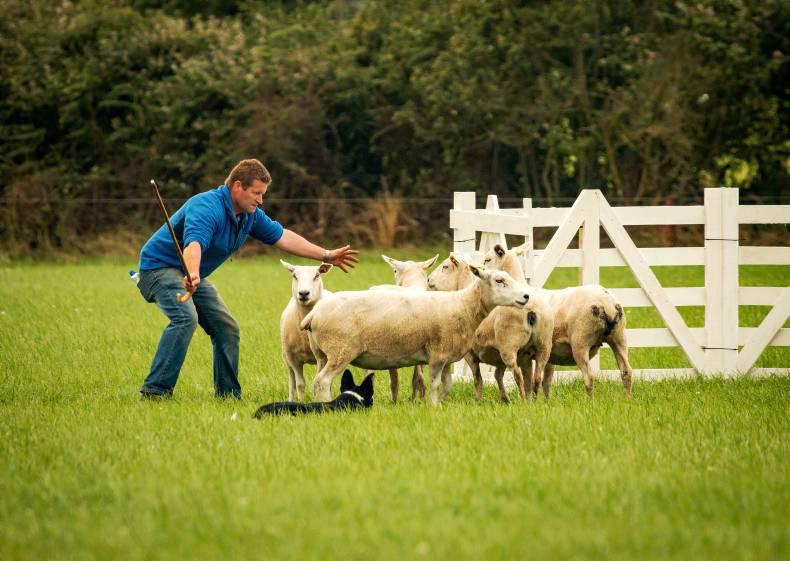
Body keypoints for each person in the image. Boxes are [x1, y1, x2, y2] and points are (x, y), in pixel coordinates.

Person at [135, 158, 358, 400]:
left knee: (227, 328)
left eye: (263, 194)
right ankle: (155, 391)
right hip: (159, 269)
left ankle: (228, 395)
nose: (260, 200)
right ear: (238, 186)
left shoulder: (248, 215)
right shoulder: (206, 207)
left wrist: (326, 254)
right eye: (256, 193)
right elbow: (194, 244)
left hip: (192, 274)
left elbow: (283, 237)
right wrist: (194, 272)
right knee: (185, 318)